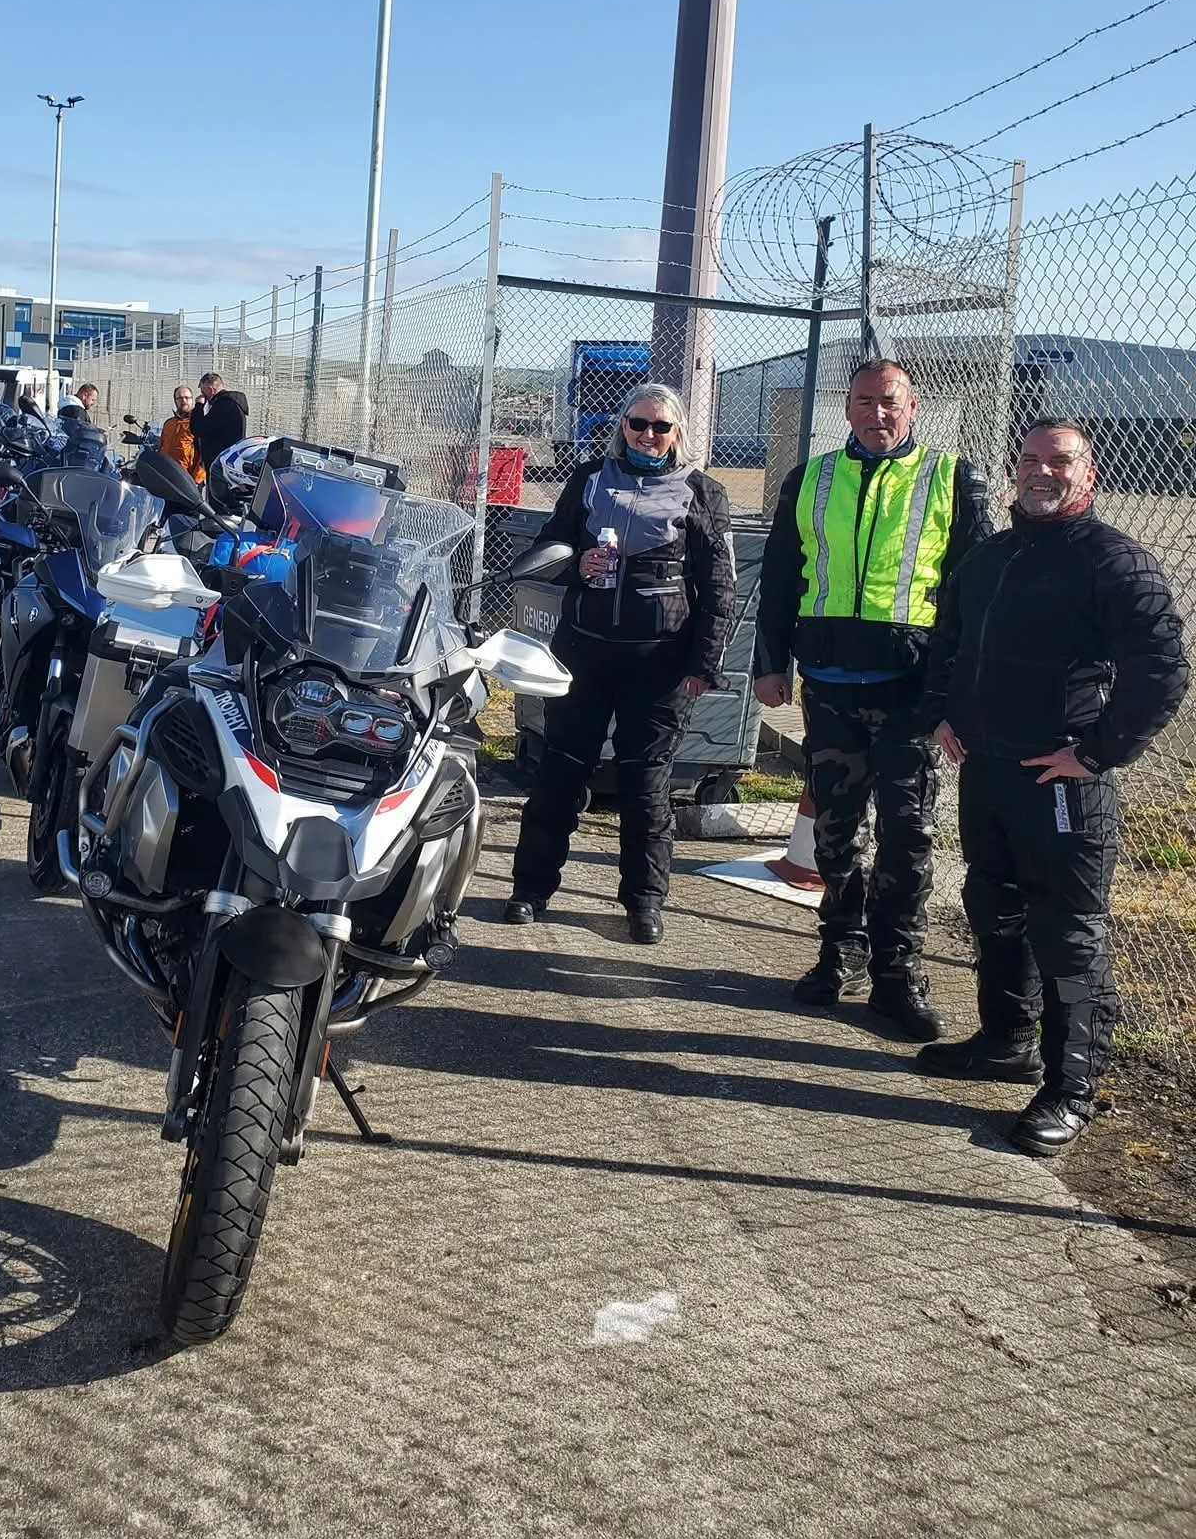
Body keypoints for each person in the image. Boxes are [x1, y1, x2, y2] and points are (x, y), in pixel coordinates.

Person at [916, 419, 1188, 1154]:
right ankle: (1006, 1041)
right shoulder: (991, 556)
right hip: (987, 772)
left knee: (1068, 932)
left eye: (1060, 461)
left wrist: (1096, 754)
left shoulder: (1114, 562)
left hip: (1063, 782)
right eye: (1032, 459)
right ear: (1017, 469)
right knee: (993, 907)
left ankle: (1072, 1089)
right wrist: (942, 713)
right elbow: (949, 641)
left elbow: (1162, 671)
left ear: (1087, 474)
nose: (1043, 471)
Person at [753, 359, 993, 1038]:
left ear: (912, 407)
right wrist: (770, 664)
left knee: (907, 837)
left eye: (890, 402)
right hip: (829, 686)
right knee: (835, 832)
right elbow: (781, 576)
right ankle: (842, 951)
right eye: (864, 401)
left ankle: (897, 973)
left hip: (911, 692)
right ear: (848, 408)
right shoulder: (811, 478)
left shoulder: (952, 478)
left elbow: (974, 595)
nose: (877, 413)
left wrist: (955, 693)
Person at [503, 383, 736, 945]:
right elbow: (548, 549)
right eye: (638, 423)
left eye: (661, 426)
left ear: (677, 432)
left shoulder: (703, 492)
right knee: (560, 771)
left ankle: (644, 901)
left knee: (645, 783)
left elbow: (720, 588)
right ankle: (530, 889)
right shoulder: (588, 479)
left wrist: (704, 663)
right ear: (622, 426)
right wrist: (576, 564)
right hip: (584, 651)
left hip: (660, 662)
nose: (648, 435)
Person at [189, 372, 247, 474]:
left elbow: (198, 428)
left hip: (220, 463)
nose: (202, 395)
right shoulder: (231, 404)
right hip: (229, 460)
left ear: (210, 389)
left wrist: (199, 405)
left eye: (203, 392)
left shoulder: (223, 405)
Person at [158, 384, 203, 481]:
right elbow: (161, 447)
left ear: (192, 400)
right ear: (175, 401)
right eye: (180, 398)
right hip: (166, 474)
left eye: (187, 397)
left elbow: (204, 455)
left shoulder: (197, 423)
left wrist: (196, 480)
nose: (184, 401)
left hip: (186, 478)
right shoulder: (169, 423)